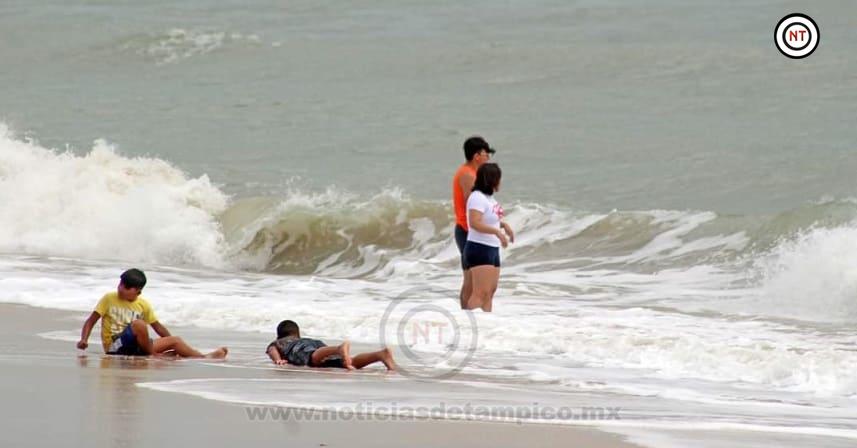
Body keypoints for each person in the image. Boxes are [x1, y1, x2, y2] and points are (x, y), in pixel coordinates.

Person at [76, 268, 228, 359]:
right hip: (115, 348)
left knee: (175, 340)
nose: (121, 288)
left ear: (138, 291)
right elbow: (91, 320)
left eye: (127, 287)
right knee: (139, 324)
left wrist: (167, 342)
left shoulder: (143, 305)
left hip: (138, 347)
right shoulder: (109, 298)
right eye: (121, 284)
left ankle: (203, 357)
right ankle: (154, 355)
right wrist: (84, 339)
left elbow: (158, 328)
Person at [463, 163, 513, 312]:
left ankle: (485, 327)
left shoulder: (490, 199)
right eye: (498, 178)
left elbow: (489, 219)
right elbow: (474, 222)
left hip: (492, 248)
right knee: (480, 293)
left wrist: (503, 226)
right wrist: (496, 232)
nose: (500, 182)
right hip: (479, 247)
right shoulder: (477, 197)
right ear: (491, 179)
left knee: (489, 293)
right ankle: (468, 324)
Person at [452, 136, 495, 309]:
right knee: (471, 281)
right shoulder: (467, 175)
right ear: (477, 156)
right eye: (486, 154)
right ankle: (466, 317)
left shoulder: (472, 173)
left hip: (470, 231)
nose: (488, 158)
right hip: (467, 231)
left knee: (476, 281)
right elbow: (474, 207)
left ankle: (470, 316)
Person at [266, 320, 396, 371]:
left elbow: (272, 349)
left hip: (307, 349)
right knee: (349, 363)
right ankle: (380, 355)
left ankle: (339, 349)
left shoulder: (282, 342)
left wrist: (277, 359)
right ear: (297, 333)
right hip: (319, 346)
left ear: (279, 335)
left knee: (313, 358)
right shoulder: (304, 339)